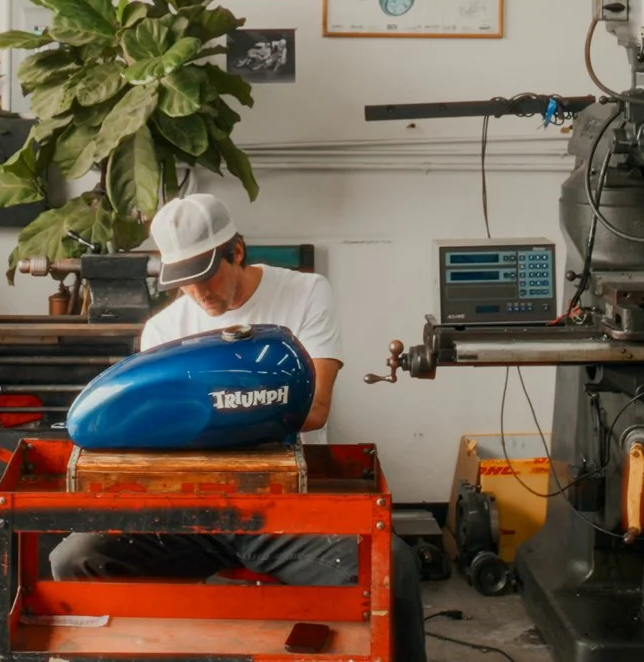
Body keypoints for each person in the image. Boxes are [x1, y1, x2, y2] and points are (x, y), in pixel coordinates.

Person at [51, 192, 426, 660]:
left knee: (395, 566)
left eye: (207, 275)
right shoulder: (163, 331)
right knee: (76, 559)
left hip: (286, 509)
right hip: (192, 509)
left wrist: (206, 415)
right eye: (184, 283)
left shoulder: (305, 293)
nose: (198, 293)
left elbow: (315, 409)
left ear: (237, 251)